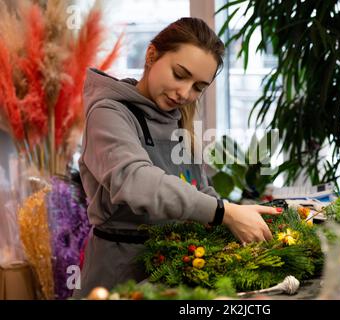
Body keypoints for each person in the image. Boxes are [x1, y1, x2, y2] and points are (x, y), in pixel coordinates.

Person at [72, 17, 282, 298]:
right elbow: (136, 182)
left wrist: (236, 215)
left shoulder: (179, 118)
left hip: (176, 269)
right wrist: (224, 212)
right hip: (119, 275)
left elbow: (198, 189)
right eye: (179, 74)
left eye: (198, 87)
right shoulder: (108, 114)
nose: (185, 93)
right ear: (151, 55)